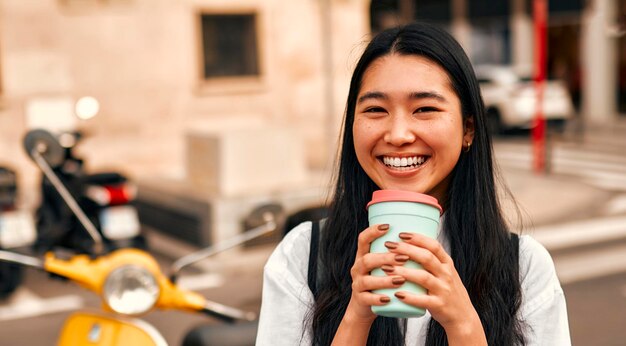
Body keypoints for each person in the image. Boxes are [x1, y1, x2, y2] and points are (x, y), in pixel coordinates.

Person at [256, 22, 570, 345]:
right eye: (376, 109)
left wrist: (463, 326)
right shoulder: (302, 257)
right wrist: (356, 316)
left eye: (424, 109)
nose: (398, 135)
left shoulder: (525, 269)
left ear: (468, 129)